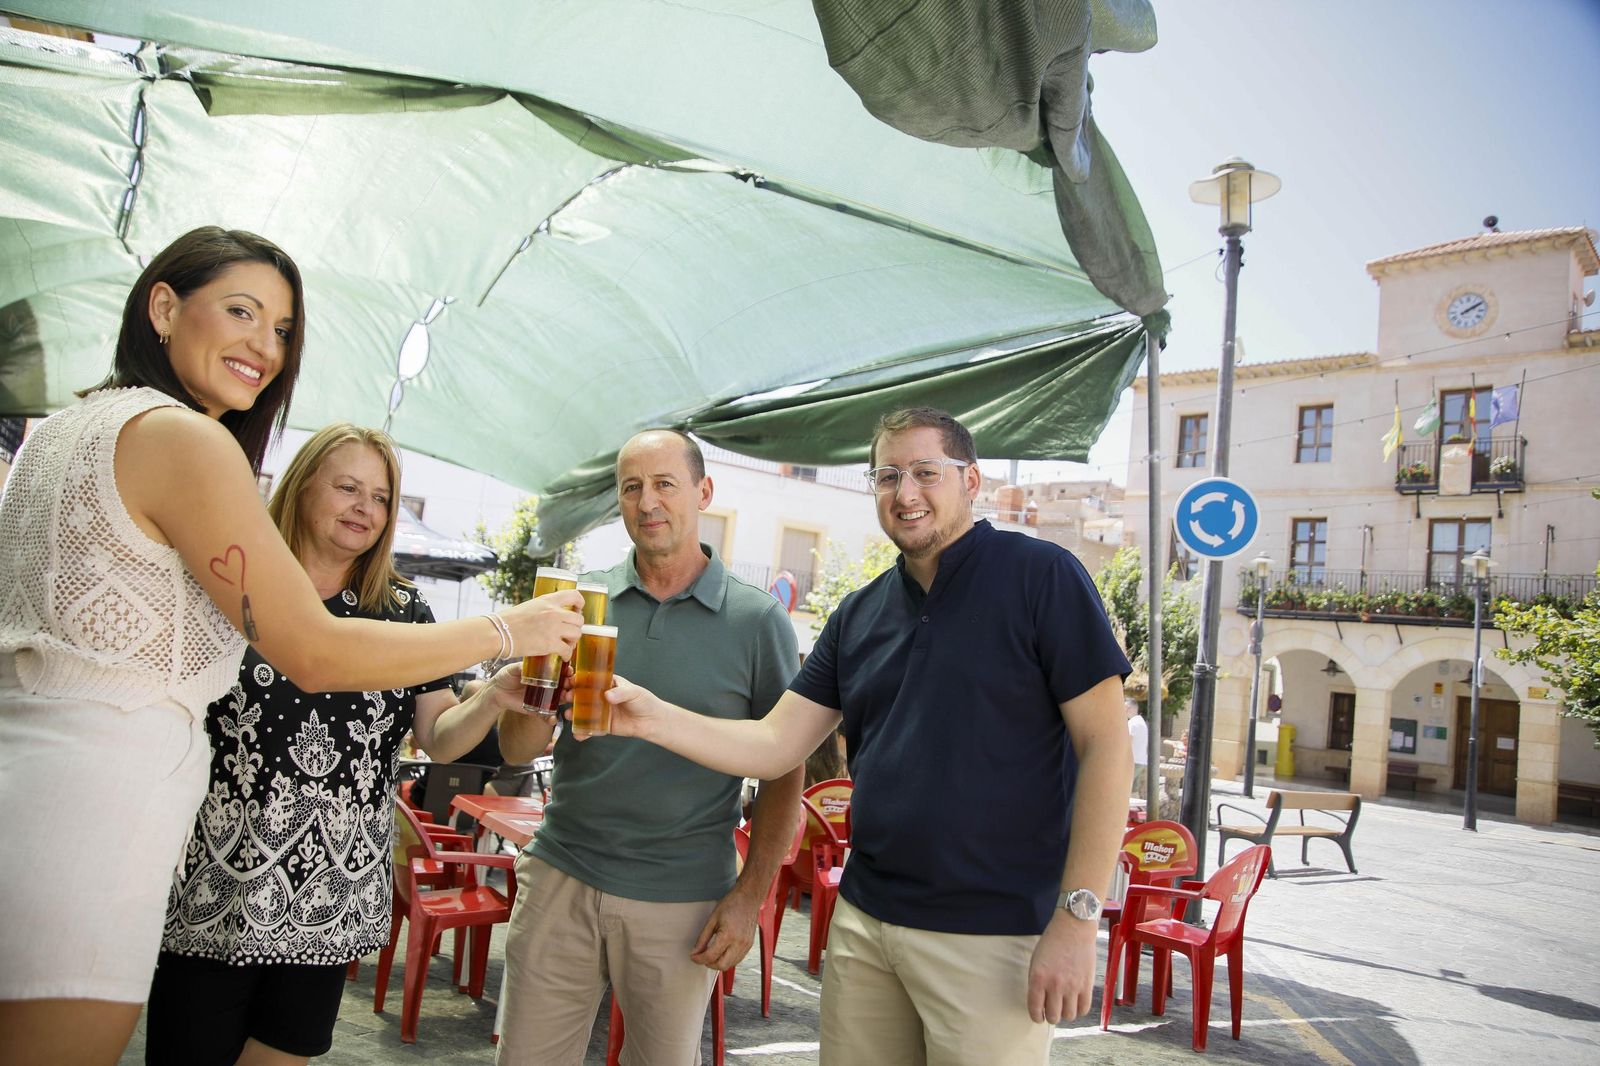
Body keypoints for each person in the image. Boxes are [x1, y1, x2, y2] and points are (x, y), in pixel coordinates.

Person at [0, 227, 582, 1066]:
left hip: (48, 791)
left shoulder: (62, 431)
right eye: (241, 311)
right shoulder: (184, 441)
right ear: (162, 306)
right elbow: (312, 649)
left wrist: (494, 690)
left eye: (280, 330)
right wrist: (510, 628)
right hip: (104, 825)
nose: (264, 347)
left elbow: (440, 729)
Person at [601, 407, 1133, 1065]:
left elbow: (1107, 747)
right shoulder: (859, 613)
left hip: (995, 936)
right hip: (866, 924)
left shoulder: (1040, 576)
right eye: (887, 476)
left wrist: (1079, 920)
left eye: (924, 472)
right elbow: (774, 745)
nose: (905, 493)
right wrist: (647, 714)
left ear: (971, 480)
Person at [143, 423, 546, 1065]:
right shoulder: (235, 581)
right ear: (302, 488)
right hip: (215, 880)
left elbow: (439, 739)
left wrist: (493, 696)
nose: (366, 507)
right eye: (348, 487)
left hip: (331, 888)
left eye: (381, 497)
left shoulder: (404, 610)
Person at [495, 429, 804, 1066]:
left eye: (665, 484)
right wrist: (533, 694)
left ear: (703, 492)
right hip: (562, 877)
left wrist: (751, 898)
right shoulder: (578, 600)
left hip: (683, 898)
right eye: (632, 487)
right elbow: (519, 749)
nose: (647, 501)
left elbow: (784, 771)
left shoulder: (756, 622)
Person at [1128, 696, 1150, 797]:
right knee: (1133, 790)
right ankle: (1135, 811)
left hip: (1132, 761)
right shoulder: (1141, 722)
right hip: (1140, 761)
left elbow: (1128, 742)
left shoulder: (1132, 723)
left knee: (1125, 787)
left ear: (1128, 707)